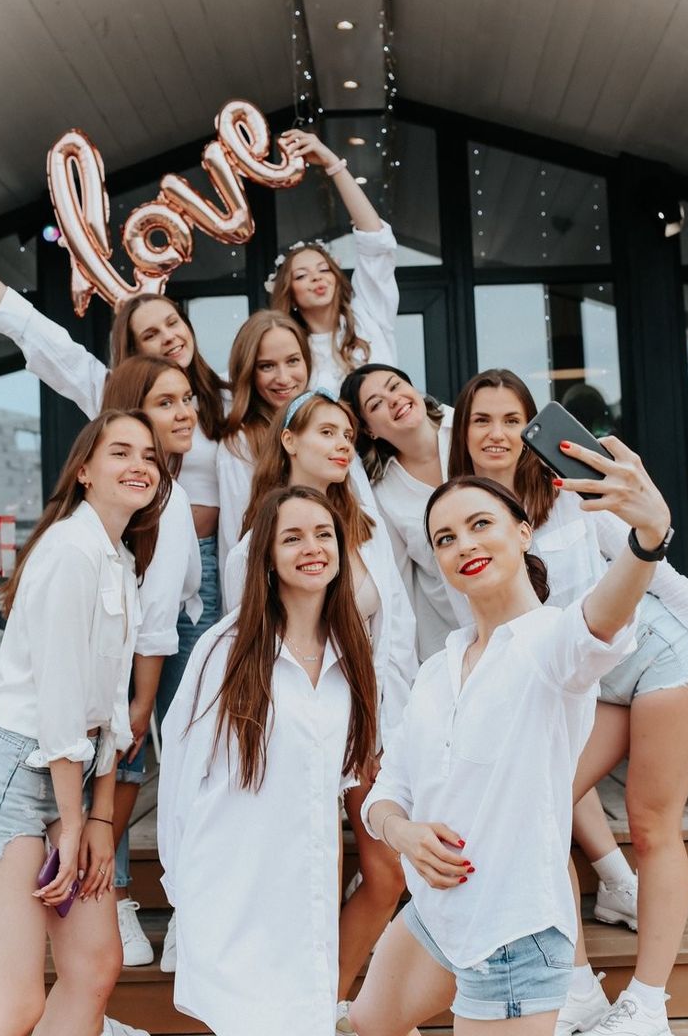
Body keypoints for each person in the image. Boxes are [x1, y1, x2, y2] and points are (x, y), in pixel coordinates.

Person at [345, 433, 672, 1036]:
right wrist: (404, 832)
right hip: (436, 918)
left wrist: (648, 539)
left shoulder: (551, 642)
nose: (463, 544)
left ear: (523, 532)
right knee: (363, 1026)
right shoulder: (437, 668)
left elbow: (602, 617)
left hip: (513, 937)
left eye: (479, 524)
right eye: (445, 538)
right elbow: (389, 790)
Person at [449, 369, 688, 1036]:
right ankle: (576, 987)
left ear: (531, 427)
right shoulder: (459, 515)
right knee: (539, 809)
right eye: (482, 419)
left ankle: (647, 1004)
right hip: (588, 682)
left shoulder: (568, 493)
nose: (498, 433)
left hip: (661, 658)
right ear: (464, 432)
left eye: (512, 418)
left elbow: (657, 569)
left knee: (652, 828)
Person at [0, 410, 170, 1036]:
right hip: (17, 776)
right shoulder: (67, 552)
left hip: (74, 780)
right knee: (13, 1001)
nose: (139, 464)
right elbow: (61, 705)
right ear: (84, 471)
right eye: (120, 452)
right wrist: (75, 823)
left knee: (93, 965)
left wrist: (101, 818)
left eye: (148, 455)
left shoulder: (115, 559)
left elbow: (111, 711)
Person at [158, 486, 378, 1036]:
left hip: (305, 894)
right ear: (268, 557)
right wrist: (181, 894)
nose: (312, 548)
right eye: (293, 537)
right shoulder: (223, 650)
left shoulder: (350, 654)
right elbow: (181, 784)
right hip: (231, 892)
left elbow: (339, 775)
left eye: (324, 534)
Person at [224, 390, 419, 997]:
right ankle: (293, 1006)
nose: (342, 446)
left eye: (347, 436)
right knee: (309, 878)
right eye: (327, 433)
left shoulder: (362, 526)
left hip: (368, 723)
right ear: (289, 440)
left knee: (387, 873)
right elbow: (249, 649)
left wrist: (396, 725)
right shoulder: (257, 539)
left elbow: (397, 629)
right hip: (297, 726)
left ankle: (324, 1000)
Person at [0, 261, 226, 703]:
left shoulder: (227, 400)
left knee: (194, 699)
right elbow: (48, 343)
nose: (168, 336)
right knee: (119, 704)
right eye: (151, 335)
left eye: (172, 322)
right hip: (136, 558)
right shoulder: (116, 395)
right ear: (133, 351)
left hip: (209, 563)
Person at [100, 357, 202, 969]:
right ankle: (113, 901)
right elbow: (157, 615)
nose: (185, 411)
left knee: (147, 767)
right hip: (130, 642)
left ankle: (159, 906)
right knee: (127, 764)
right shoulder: (166, 492)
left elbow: (164, 610)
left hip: (152, 636)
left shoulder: (169, 488)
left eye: (187, 398)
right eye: (166, 403)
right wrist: (141, 706)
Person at [340, 363, 458, 660]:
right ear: (368, 428)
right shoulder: (381, 493)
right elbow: (400, 584)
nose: (393, 400)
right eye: (376, 403)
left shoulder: (466, 429)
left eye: (395, 386)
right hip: (447, 638)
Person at [269, 129, 400, 393]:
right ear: (289, 293)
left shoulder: (369, 314)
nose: (316, 277)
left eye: (323, 269)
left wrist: (333, 163)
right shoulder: (291, 350)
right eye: (302, 275)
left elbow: (375, 239)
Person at [216, 309, 311, 574]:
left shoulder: (328, 424)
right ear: (248, 371)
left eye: (292, 361)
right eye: (267, 366)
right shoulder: (239, 444)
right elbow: (235, 544)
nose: (283, 378)